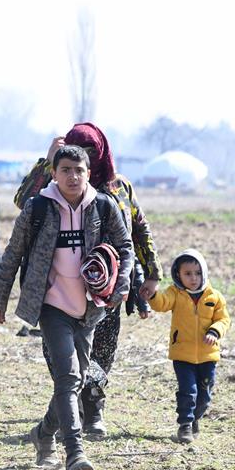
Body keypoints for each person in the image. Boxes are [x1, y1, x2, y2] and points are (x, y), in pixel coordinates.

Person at [0, 145, 133, 470]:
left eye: (79, 170)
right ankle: (74, 452)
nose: (73, 176)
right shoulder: (38, 207)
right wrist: (0, 299)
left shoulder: (102, 205)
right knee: (68, 376)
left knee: (77, 380)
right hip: (52, 306)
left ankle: (43, 434)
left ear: (87, 173)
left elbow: (125, 247)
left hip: (89, 308)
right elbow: (13, 253)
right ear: (54, 173)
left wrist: (122, 284)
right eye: (66, 170)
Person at [13, 122, 161, 437]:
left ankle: (92, 411)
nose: (85, 161)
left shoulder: (119, 187)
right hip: (57, 290)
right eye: (80, 152)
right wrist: (47, 162)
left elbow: (138, 231)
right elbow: (22, 201)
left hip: (104, 289)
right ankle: (69, 414)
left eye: (92, 152)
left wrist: (152, 273)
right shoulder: (54, 184)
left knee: (101, 354)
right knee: (61, 358)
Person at [148, 250, 230, 443]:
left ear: (204, 273)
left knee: (205, 395)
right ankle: (184, 425)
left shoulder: (214, 296)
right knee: (188, 391)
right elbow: (162, 303)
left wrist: (214, 331)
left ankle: (195, 418)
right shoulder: (175, 293)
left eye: (197, 273)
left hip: (208, 356)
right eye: (188, 273)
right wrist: (151, 295)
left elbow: (224, 319)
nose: (193, 278)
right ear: (178, 274)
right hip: (182, 355)